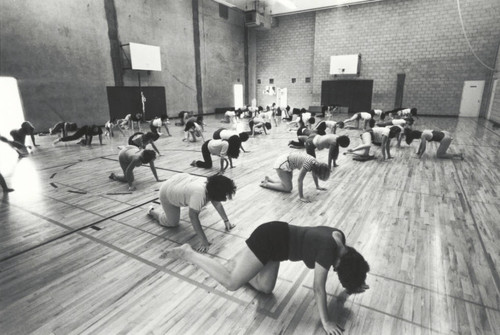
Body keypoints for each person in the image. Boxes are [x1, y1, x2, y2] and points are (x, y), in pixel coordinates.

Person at [161, 221, 370, 334]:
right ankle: (188, 253)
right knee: (232, 283)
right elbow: (318, 288)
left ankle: (242, 266)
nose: (334, 270)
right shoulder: (328, 252)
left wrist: (354, 283)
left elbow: (349, 264)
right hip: (270, 239)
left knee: (265, 289)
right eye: (339, 271)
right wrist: (326, 322)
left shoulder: (340, 240)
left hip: (278, 246)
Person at [148, 173, 236, 253]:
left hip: (178, 182)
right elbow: (193, 216)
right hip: (167, 193)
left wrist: (226, 221)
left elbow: (216, 203)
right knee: (172, 223)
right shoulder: (199, 193)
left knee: (193, 202)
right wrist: (204, 242)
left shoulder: (211, 185)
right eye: (225, 194)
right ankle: (151, 211)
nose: (225, 197)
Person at [260, 152, 330, 203]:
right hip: (282, 164)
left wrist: (317, 186)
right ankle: (266, 184)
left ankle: (268, 179)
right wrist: (301, 197)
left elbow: (314, 174)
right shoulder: (308, 164)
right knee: (288, 188)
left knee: (286, 183)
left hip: (288, 162)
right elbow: (300, 180)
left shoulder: (316, 164)